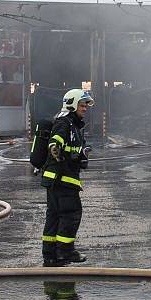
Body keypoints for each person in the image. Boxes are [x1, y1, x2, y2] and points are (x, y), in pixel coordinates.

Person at [41, 89, 93, 266]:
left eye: (86, 105)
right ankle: (65, 251)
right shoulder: (65, 122)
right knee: (71, 214)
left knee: (54, 216)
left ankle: (50, 253)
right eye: (82, 105)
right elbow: (56, 139)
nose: (85, 108)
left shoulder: (73, 124)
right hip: (63, 178)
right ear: (72, 104)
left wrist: (82, 152)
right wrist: (55, 147)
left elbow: (73, 149)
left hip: (55, 178)